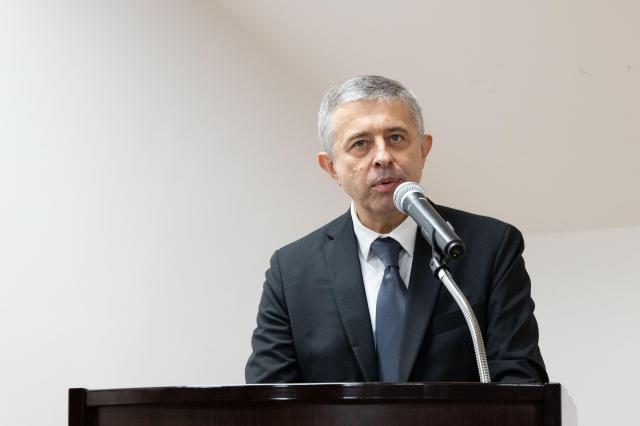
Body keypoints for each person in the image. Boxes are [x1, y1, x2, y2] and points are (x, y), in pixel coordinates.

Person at [245, 75, 548, 384]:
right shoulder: (291, 272)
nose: (382, 157)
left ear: (423, 150)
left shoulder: (490, 248)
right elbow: (268, 398)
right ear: (331, 167)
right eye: (360, 144)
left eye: (396, 138)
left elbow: (520, 381)